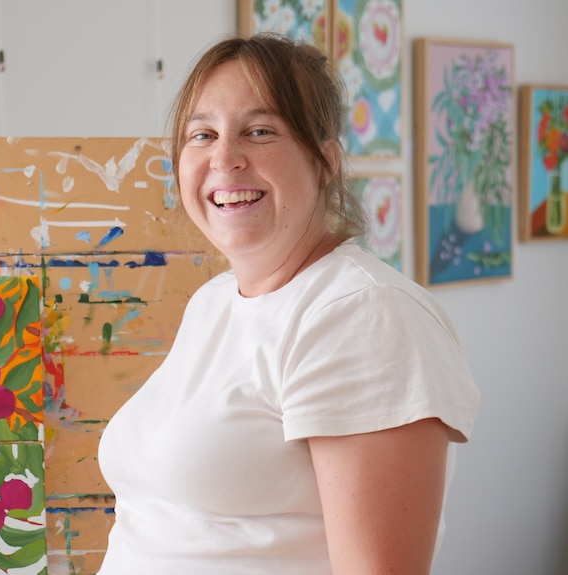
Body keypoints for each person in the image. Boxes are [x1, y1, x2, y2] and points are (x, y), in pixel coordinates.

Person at [96, 33, 480, 575]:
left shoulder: (363, 313)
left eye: (260, 131)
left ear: (325, 161)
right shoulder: (212, 303)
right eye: (202, 135)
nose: (224, 158)